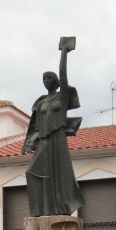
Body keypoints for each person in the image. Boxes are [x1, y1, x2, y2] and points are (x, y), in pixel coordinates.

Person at [22, 39, 84, 216]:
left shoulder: (61, 97)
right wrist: (30, 140)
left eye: (49, 78)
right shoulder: (41, 102)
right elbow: (36, 126)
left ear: (56, 81)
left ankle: (57, 207)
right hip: (43, 140)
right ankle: (40, 210)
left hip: (57, 139)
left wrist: (63, 52)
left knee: (56, 175)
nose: (46, 81)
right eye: (44, 78)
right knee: (32, 173)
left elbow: (64, 74)